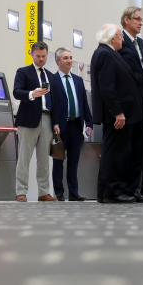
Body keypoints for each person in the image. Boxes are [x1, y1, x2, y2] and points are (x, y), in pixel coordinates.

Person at [90, 24, 143, 203]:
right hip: (115, 115)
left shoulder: (110, 53)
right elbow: (107, 87)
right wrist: (118, 112)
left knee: (117, 152)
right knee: (113, 153)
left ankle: (112, 191)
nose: (123, 39)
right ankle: (110, 192)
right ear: (112, 38)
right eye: (121, 36)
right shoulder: (105, 54)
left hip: (118, 113)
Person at [12, 41, 60, 202]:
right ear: (32, 54)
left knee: (44, 160)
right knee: (24, 158)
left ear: (47, 55)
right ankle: (21, 192)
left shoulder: (51, 76)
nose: (41, 59)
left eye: (44, 56)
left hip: (47, 119)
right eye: (38, 56)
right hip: (28, 120)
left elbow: (56, 101)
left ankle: (44, 192)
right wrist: (33, 93)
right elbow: (17, 92)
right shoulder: (23, 72)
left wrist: (56, 122)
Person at [50, 48, 93, 201]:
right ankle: (59, 192)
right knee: (58, 161)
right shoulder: (52, 80)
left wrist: (89, 122)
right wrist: (54, 123)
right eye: (65, 58)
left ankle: (73, 192)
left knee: (74, 161)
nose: (69, 61)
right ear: (58, 61)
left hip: (76, 125)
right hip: (60, 127)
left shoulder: (78, 80)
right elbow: (52, 105)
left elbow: (84, 104)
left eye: (70, 58)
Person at [119, 6, 143, 203]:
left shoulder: (142, 43)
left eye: (142, 20)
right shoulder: (119, 41)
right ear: (126, 20)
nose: (140, 23)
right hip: (126, 103)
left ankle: (134, 189)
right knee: (126, 148)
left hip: (142, 102)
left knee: (139, 149)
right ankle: (122, 189)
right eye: (137, 19)